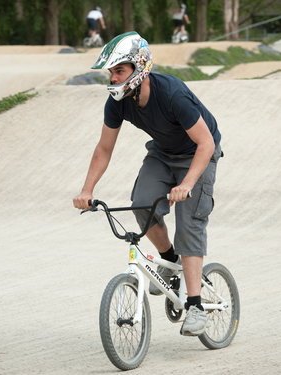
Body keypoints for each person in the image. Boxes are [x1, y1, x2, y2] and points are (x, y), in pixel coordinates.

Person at [73, 31, 222, 336]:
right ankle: (170, 262)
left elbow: (205, 143)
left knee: (189, 222)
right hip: (163, 153)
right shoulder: (117, 102)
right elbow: (104, 148)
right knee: (142, 204)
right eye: (111, 72)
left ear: (139, 69)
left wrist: (187, 184)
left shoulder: (171, 93)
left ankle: (195, 306)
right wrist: (87, 190)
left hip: (198, 154)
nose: (113, 78)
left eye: (119, 71)